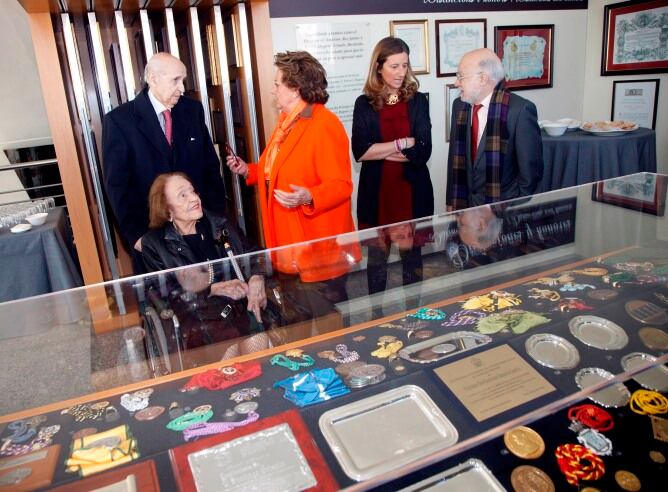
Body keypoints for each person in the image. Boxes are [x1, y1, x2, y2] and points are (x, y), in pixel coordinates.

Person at [225, 51, 358, 303]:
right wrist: (248, 170)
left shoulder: (324, 124)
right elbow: (275, 168)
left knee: (327, 320)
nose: (273, 90)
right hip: (290, 244)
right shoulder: (287, 121)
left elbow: (342, 185)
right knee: (300, 316)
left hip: (317, 248)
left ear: (296, 89)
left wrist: (309, 196)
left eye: (277, 84)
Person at [103, 52, 226, 272]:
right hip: (152, 234)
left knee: (212, 291)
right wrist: (135, 235)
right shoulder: (120, 121)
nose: (182, 88)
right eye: (175, 80)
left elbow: (210, 167)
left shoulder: (192, 110)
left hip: (198, 228)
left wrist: (218, 219)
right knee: (165, 301)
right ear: (153, 78)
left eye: (183, 80)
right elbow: (117, 186)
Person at [351, 37, 433, 299]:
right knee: (377, 260)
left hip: (412, 193)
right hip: (378, 194)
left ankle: (415, 315)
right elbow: (361, 152)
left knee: (412, 259)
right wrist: (401, 143)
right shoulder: (363, 104)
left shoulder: (418, 101)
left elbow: (423, 150)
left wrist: (384, 150)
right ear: (379, 66)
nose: (401, 73)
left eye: (405, 66)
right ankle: (377, 317)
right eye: (394, 66)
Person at [141, 172, 266, 322]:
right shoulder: (155, 244)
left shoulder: (219, 223)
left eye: (193, 191)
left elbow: (254, 253)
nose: (194, 198)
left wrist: (256, 277)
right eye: (183, 195)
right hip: (198, 322)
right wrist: (211, 290)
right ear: (167, 211)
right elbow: (166, 297)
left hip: (241, 310)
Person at [446, 48, 542, 211]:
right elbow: (453, 158)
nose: (456, 83)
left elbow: (530, 175)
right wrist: (451, 202)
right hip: (466, 209)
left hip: (503, 212)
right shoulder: (459, 106)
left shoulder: (520, 111)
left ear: (483, 78)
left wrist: (511, 209)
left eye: (460, 76)